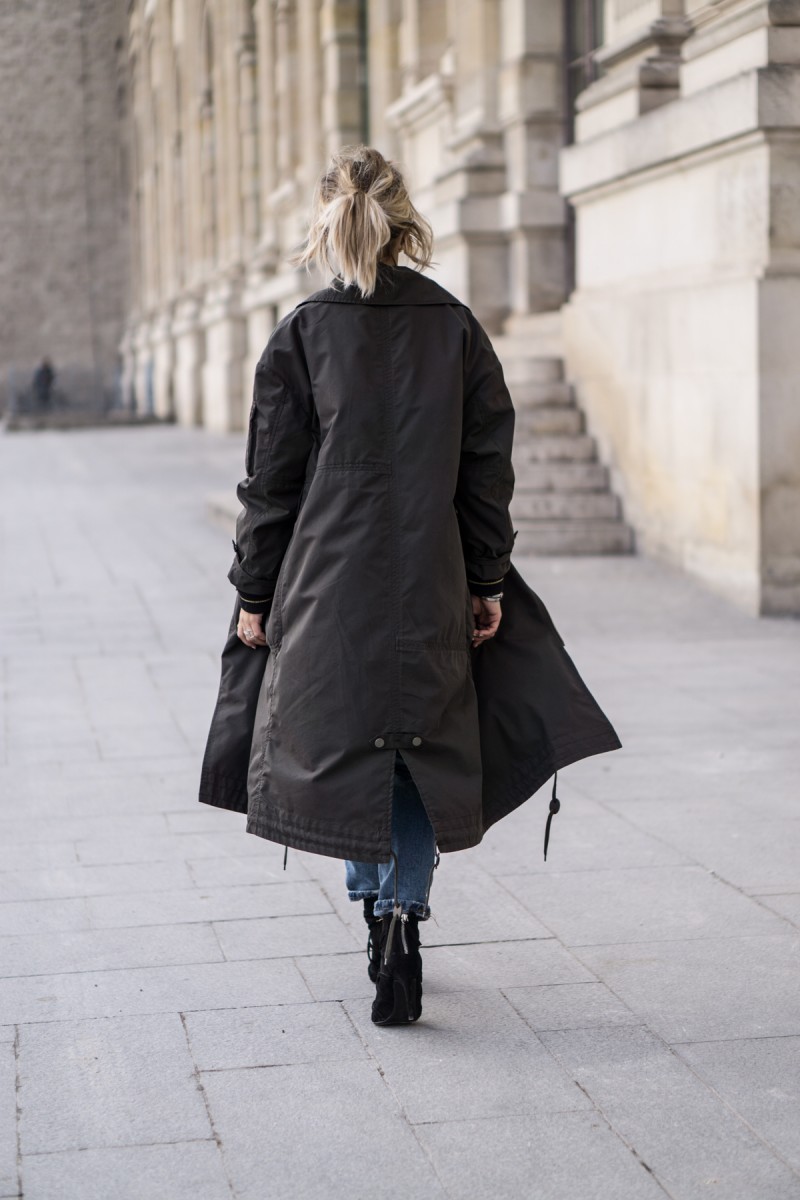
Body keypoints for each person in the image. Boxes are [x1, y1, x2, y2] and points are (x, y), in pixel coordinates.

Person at [199, 144, 622, 1028]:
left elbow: (270, 486)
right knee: (417, 753)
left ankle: (374, 911)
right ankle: (405, 913)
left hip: (325, 588)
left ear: (328, 222)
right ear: (404, 221)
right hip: (432, 577)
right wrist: (487, 579)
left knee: (348, 752)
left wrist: (253, 594)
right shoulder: (456, 328)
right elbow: (487, 472)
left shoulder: (303, 334)